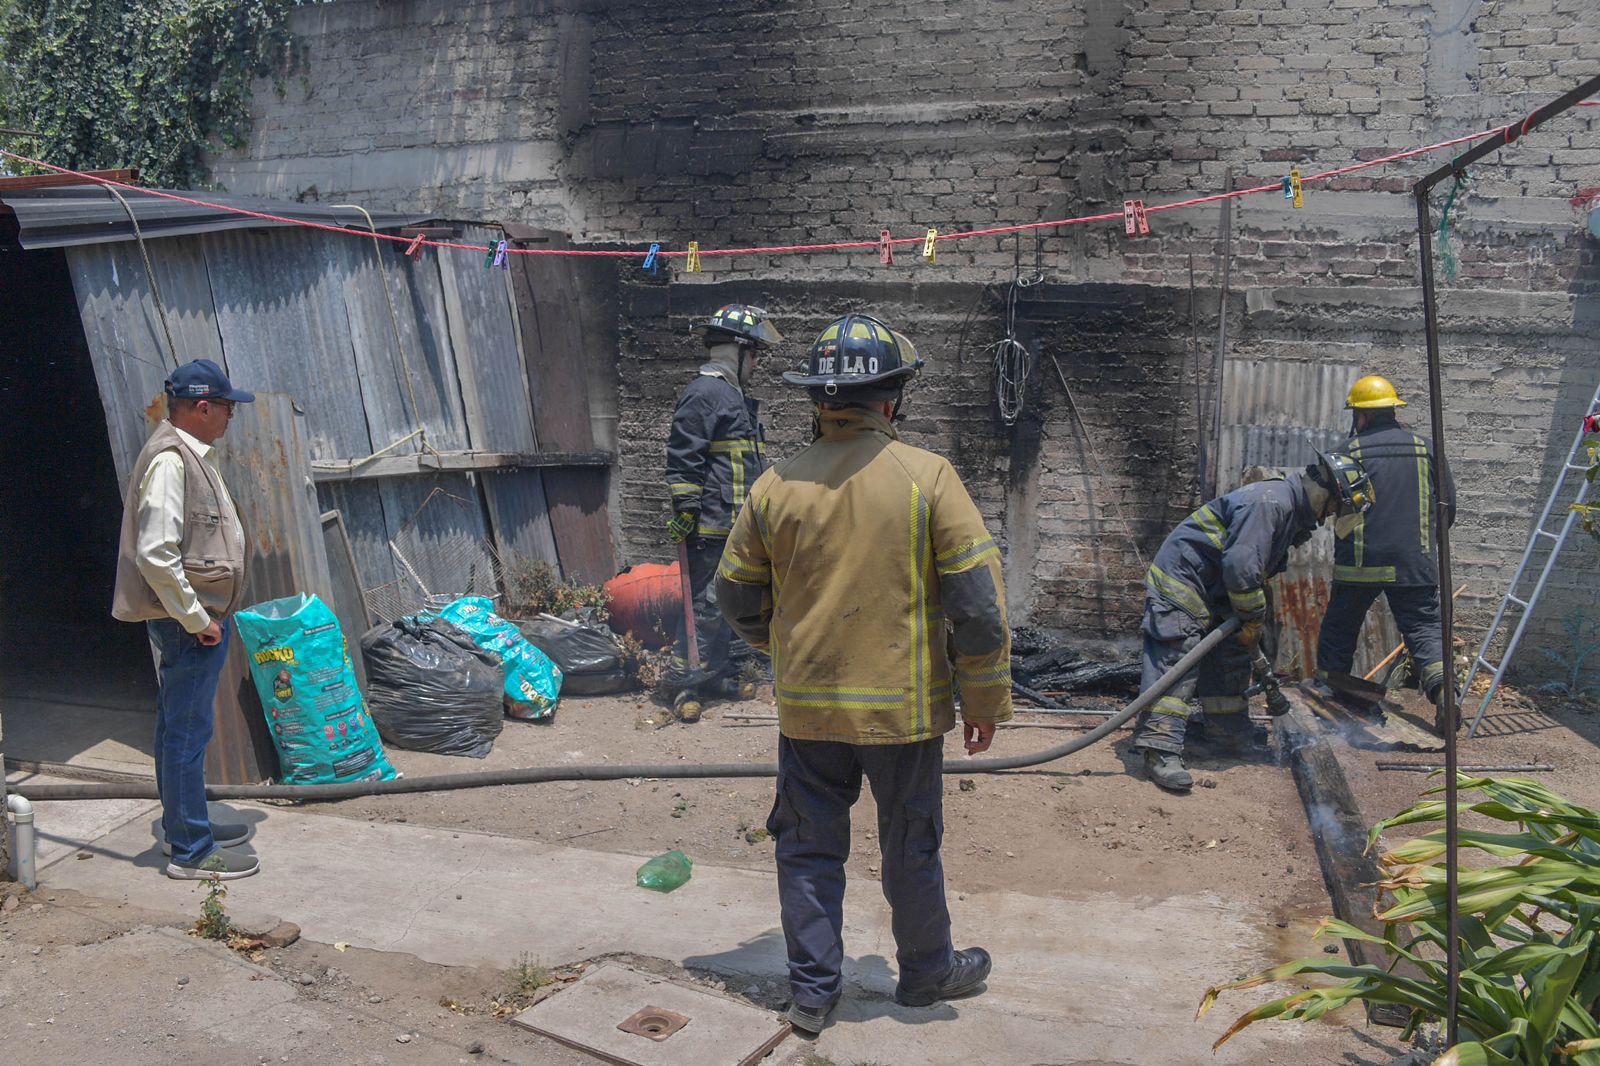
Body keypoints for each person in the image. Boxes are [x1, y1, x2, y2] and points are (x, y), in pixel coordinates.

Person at [716, 313, 1011, 1035]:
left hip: (808, 715)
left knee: (808, 851)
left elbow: (734, 595)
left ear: (820, 399)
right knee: (911, 846)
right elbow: (977, 610)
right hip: (904, 717)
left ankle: (813, 995)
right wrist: (983, 700)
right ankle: (925, 974)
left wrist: (779, 651)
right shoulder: (928, 479)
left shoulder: (774, 487)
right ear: (892, 400)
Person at [1130, 453, 1373, 793]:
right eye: (1334, 507)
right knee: (1178, 661)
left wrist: (1249, 623)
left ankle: (1226, 734)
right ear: (1324, 492)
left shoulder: (1286, 510)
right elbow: (1242, 567)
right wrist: (1254, 618)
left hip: (1215, 590)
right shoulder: (1270, 504)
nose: (1330, 515)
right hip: (1184, 585)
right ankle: (1160, 749)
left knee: (1230, 657)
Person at [112, 359, 259, 880]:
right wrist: (198, 618)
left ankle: (187, 825)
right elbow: (156, 553)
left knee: (180, 730)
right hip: (188, 625)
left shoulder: (188, 455)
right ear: (202, 407)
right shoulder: (173, 460)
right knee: (186, 733)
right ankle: (191, 852)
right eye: (226, 407)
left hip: (190, 621)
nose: (230, 417)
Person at [1315, 375, 1456, 719]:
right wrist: (1420, 545)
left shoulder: (1347, 453)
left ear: (1360, 416)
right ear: (1393, 410)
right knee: (1424, 630)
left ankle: (1324, 700)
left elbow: (1326, 506)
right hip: (1414, 564)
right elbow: (1447, 510)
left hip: (1360, 564)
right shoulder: (1427, 448)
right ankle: (1444, 695)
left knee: (1339, 631)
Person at [664, 304, 782, 714]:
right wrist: (686, 507)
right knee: (706, 605)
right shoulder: (704, 393)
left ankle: (713, 677)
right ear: (735, 351)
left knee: (730, 603)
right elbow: (683, 456)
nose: (756, 363)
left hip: (737, 522)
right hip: (712, 523)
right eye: (754, 354)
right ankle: (684, 684)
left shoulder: (732, 396)